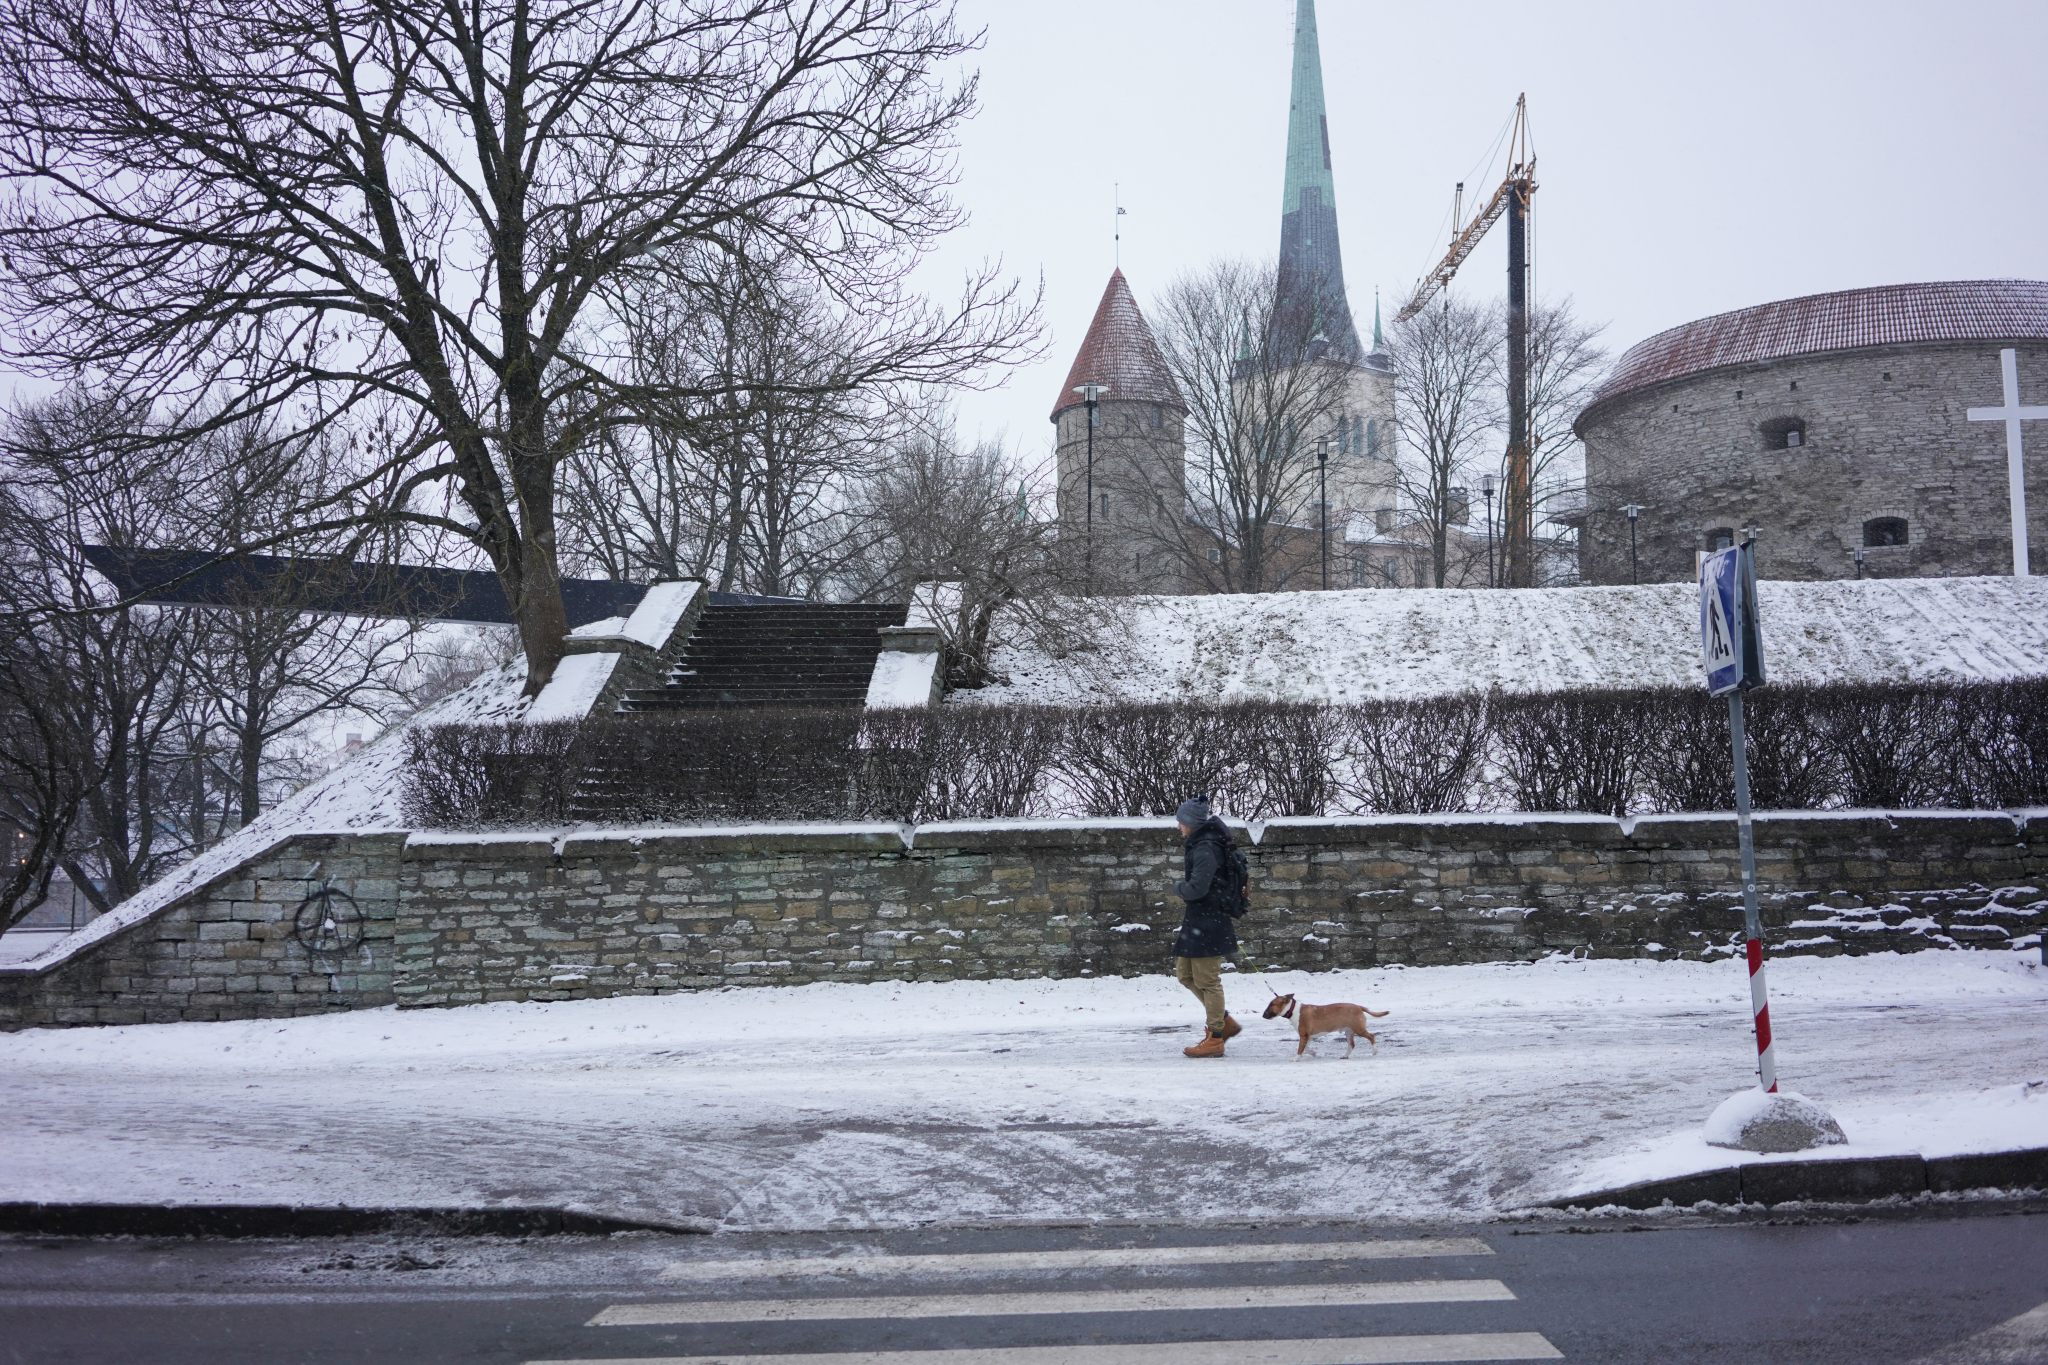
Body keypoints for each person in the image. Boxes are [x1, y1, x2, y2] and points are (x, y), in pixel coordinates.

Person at [1171, 795, 1241, 1058]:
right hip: (1198, 920)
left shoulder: (1205, 849)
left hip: (1209, 922)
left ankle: (1216, 1037)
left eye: (1180, 821)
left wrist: (1178, 887)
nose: (1178, 826)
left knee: (1207, 981)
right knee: (1185, 976)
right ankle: (1225, 1022)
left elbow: (1197, 889)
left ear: (1191, 822)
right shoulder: (1201, 844)